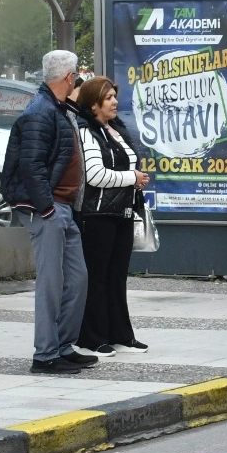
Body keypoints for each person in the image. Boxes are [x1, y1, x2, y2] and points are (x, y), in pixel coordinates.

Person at [1, 49, 94, 374]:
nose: (77, 82)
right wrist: (46, 208)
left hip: (63, 207)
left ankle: (63, 345)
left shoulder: (58, 108)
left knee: (78, 278)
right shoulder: (41, 112)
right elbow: (30, 165)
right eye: (76, 77)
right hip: (49, 208)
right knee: (51, 282)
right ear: (68, 78)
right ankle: (45, 355)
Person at [69, 76, 152, 358]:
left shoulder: (114, 129)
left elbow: (126, 164)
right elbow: (94, 175)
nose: (115, 102)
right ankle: (91, 338)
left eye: (115, 96)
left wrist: (135, 180)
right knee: (98, 277)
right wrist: (132, 177)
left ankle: (121, 334)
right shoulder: (85, 131)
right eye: (108, 98)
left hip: (122, 212)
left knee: (117, 276)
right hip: (98, 215)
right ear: (93, 104)